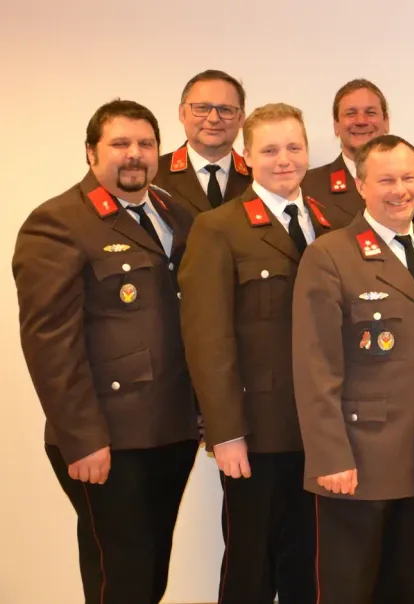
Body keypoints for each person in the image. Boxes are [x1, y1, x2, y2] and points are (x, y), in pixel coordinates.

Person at [14, 99, 198, 604]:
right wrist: (83, 438)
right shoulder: (57, 222)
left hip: (172, 429)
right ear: (91, 152)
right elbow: (50, 341)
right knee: (122, 577)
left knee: (150, 571)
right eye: (120, 144)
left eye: (145, 144)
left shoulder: (173, 214)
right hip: (107, 439)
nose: (134, 155)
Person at [292, 134, 414, 604]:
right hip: (358, 459)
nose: (400, 190)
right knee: (349, 590)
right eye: (386, 179)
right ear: (360, 185)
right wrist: (330, 455)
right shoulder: (330, 254)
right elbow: (315, 366)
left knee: (409, 588)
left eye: (409, 178)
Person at [179, 102, 333, 604]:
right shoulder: (219, 228)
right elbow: (208, 339)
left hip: (320, 428)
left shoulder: (330, 224)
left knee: (307, 561)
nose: (284, 159)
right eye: (269, 149)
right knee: (250, 561)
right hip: (258, 429)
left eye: (294, 147)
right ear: (247, 156)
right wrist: (225, 432)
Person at [153, 69, 252, 214]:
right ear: (182, 113)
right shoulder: (154, 174)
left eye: (225, 109)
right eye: (202, 108)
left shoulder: (259, 177)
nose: (213, 119)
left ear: (241, 118)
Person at [301, 79, 390, 226]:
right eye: (350, 114)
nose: (361, 121)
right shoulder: (308, 186)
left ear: (386, 122)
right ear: (336, 125)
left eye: (370, 112)